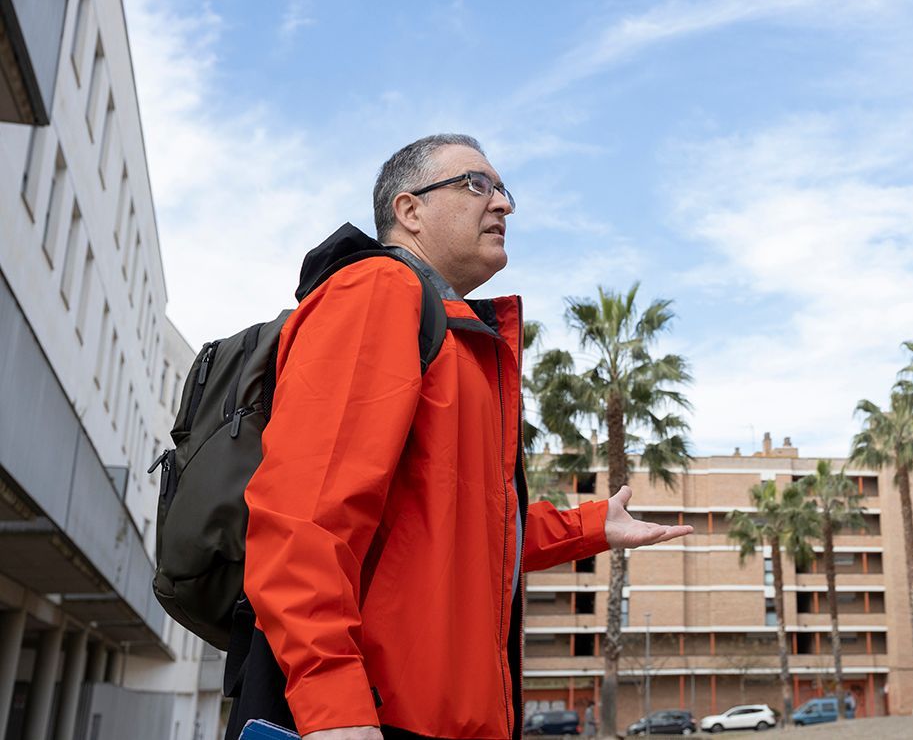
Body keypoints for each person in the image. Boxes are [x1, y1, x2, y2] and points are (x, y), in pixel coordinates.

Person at [230, 134, 693, 740]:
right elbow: (303, 519)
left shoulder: (452, 336)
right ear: (410, 210)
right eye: (476, 184)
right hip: (371, 717)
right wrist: (334, 706)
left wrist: (590, 525)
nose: (503, 203)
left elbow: (459, 527)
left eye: (503, 189)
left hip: (444, 717)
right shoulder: (375, 291)